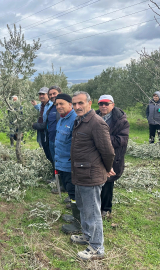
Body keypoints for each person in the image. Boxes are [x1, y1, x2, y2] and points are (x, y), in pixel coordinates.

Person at [69, 91, 115, 261]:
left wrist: (107, 168)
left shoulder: (96, 123)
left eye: (80, 103)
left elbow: (108, 152)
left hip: (91, 175)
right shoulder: (80, 120)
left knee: (93, 211)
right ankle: (88, 236)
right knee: (83, 207)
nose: (77, 107)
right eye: (74, 104)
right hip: (80, 173)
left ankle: (97, 247)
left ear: (89, 103)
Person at [96, 95, 129, 218]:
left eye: (106, 104)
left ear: (113, 105)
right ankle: (96, 206)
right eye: (101, 104)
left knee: (108, 183)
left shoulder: (121, 121)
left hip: (112, 157)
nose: (103, 106)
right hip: (96, 155)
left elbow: (122, 140)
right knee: (96, 181)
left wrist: (102, 139)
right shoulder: (95, 117)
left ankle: (106, 209)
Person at [51, 94, 79, 234]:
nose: (59, 107)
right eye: (57, 104)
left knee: (74, 193)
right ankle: (75, 217)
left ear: (70, 104)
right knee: (71, 192)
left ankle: (79, 225)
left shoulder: (75, 120)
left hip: (70, 166)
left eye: (62, 104)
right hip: (61, 164)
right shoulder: (62, 120)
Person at [31, 87, 53, 180]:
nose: (41, 96)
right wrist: (35, 105)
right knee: (47, 154)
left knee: (52, 155)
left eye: (43, 94)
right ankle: (55, 173)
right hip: (42, 134)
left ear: (48, 95)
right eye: (40, 94)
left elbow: (47, 122)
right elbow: (39, 110)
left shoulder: (51, 106)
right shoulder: (41, 105)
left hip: (49, 134)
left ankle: (57, 176)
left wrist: (34, 125)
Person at [46, 86, 62, 189]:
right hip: (51, 139)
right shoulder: (52, 107)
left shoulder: (63, 107)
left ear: (60, 93)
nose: (52, 96)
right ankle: (55, 178)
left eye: (54, 93)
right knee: (54, 160)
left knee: (61, 161)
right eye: (50, 94)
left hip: (60, 140)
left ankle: (62, 184)